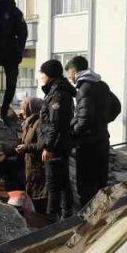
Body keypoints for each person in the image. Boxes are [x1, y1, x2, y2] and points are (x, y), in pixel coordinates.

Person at [66, 55, 122, 207]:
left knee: (86, 186)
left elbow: (84, 120)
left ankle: (89, 223)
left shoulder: (84, 88)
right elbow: (117, 107)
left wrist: (72, 134)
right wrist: (102, 122)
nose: (69, 77)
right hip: (102, 140)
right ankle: (102, 221)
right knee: (100, 184)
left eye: (69, 73)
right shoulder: (102, 85)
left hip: (87, 145)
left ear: (73, 71)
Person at [37, 59, 75, 222]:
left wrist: (48, 147)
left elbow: (56, 122)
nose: (41, 77)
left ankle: (52, 219)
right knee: (63, 181)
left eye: (43, 74)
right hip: (61, 143)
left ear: (49, 75)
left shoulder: (58, 93)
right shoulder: (57, 90)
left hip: (57, 145)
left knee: (54, 184)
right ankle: (66, 215)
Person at [14, 96, 47, 207]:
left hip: (38, 168)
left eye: (23, 108)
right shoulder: (29, 122)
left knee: (38, 198)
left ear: (30, 108)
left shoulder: (40, 123)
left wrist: (26, 147)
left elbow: (42, 145)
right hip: (31, 167)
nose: (21, 111)